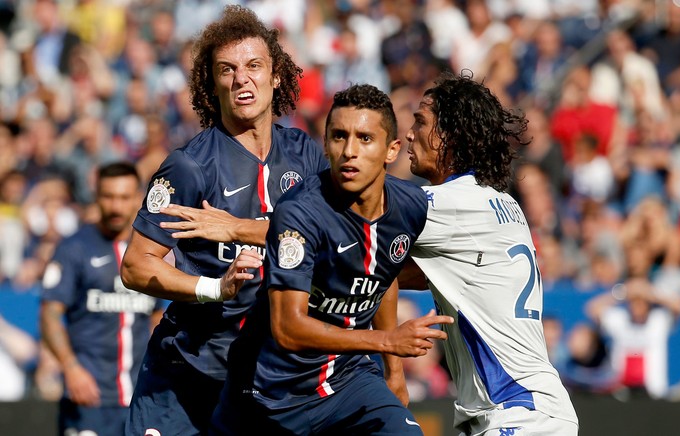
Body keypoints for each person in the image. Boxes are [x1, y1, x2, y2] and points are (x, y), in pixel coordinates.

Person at [119, 5, 329, 435]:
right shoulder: (189, 166)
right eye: (227, 69)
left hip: (268, 376)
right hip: (186, 376)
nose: (241, 79)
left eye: (254, 66)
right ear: (211, 83)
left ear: (276, 75)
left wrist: (238, 229)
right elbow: (136, 265)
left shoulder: (306, 155)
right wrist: (215, 288)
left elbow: (330, 239)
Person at [210, 84, 454, 435]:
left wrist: (394, 372)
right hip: (271, 394)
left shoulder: (411, 206)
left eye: (365, 138)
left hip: (350, 379)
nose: (350, 151)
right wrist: (387, 342)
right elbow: (288, 329)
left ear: (392, 150)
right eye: (339, 136)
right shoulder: (299, 214)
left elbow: (383, 277)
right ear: (325, 145)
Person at [400, 72, 579, 435]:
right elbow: (400, 272)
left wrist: (259, 231)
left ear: (447, 136)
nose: (409, 133)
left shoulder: (448, 204)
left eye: (420, 122)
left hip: (516, 411)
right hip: (535, 409)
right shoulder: (501, 202)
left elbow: (351, 239)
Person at [39, 162, 166, 436]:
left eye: (123, 197)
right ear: (96, 196)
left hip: (140, 397)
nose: (116, 206)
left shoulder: (150, 250)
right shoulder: (74, 248)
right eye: (108, 197)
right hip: (89, 397)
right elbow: (49, 314)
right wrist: (71, 368)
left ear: (137, 198)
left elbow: (158, 314)